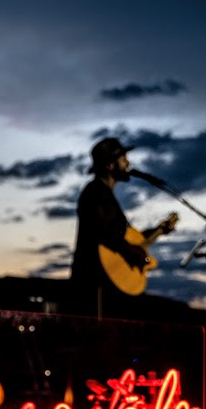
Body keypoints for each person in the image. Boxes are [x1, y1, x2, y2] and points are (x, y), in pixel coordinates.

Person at [67, 136, 152, 318]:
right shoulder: (95, 192)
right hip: (93, 281)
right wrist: (131, 252)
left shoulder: (102, 193)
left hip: (101, 281)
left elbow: (118, 235)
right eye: (123, 159)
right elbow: (102, 232)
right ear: (111, 165)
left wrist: (155, 232)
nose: (128, 163)